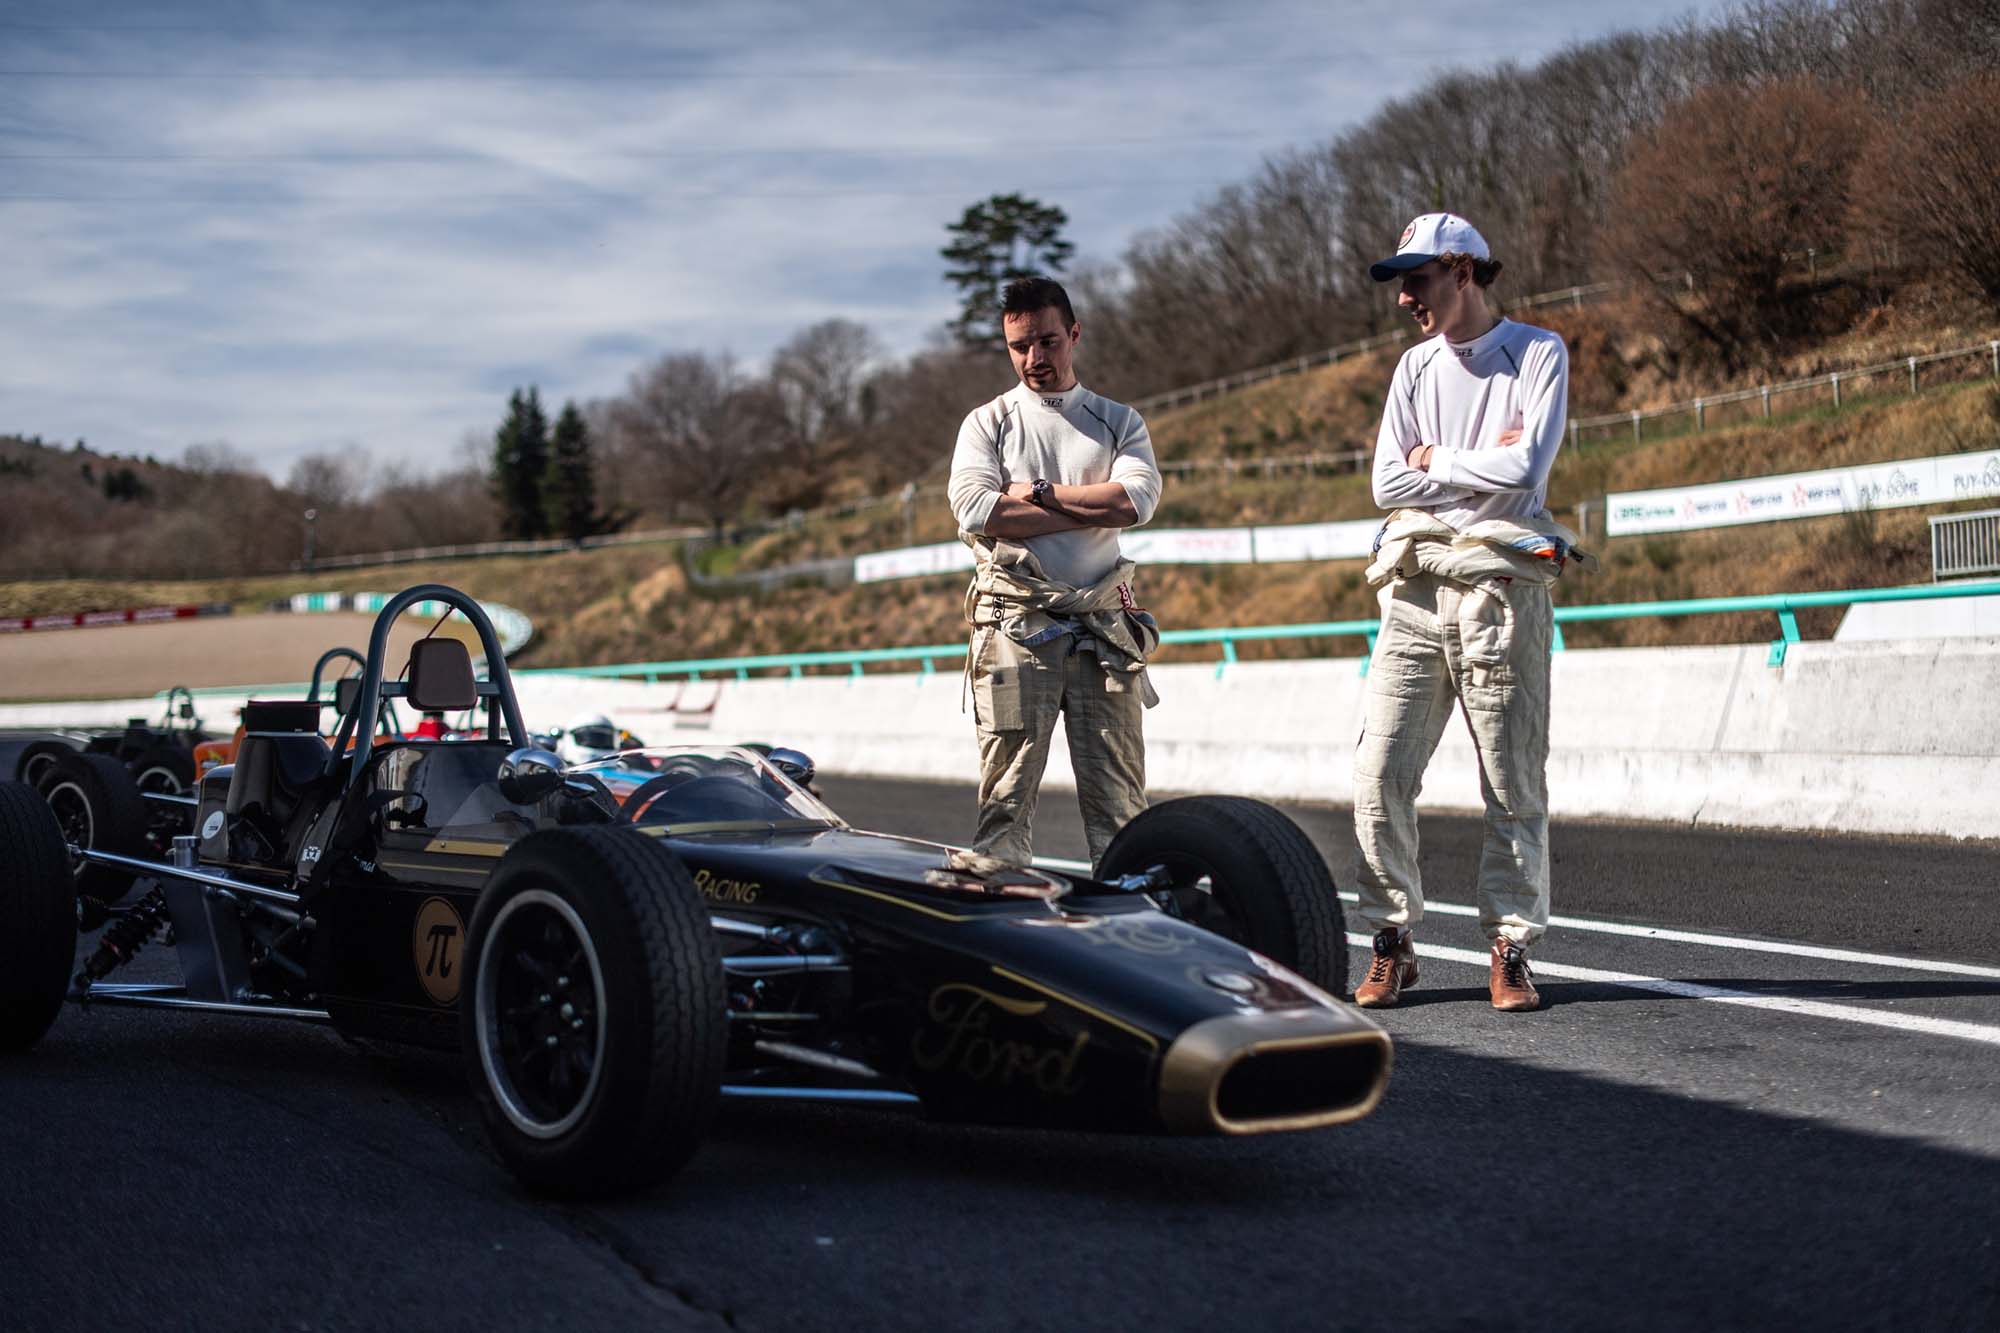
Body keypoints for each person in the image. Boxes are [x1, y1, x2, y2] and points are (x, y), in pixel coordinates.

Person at [1349, 212, 1592, 1013]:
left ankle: (1511, 948)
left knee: (1512, 780)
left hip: (1503, 590)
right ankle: (1392, 938)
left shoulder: (1537, 352)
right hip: (1416, 588)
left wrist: (1436, 461)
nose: (1403, 299)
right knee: (1377, 772)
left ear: (1461, 270)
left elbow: (1528, 467)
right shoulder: (1415, 369)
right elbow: (1388, 483)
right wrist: (1470, 472)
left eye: (1415, 280)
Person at [946, 276, 1165, 868]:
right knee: (1003, 811)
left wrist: (1038, 496)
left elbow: (1136, 504)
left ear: (1073, 334)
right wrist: (1088, 505)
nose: (1034, 358)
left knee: (1122, 810)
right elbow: (976, 510)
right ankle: (1000, 931)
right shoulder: (986, 423)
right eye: (1019, 346)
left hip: (1104, 630)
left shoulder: (1117, 421)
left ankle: (1131, 936)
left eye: (1047, 341)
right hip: (1015, 626)